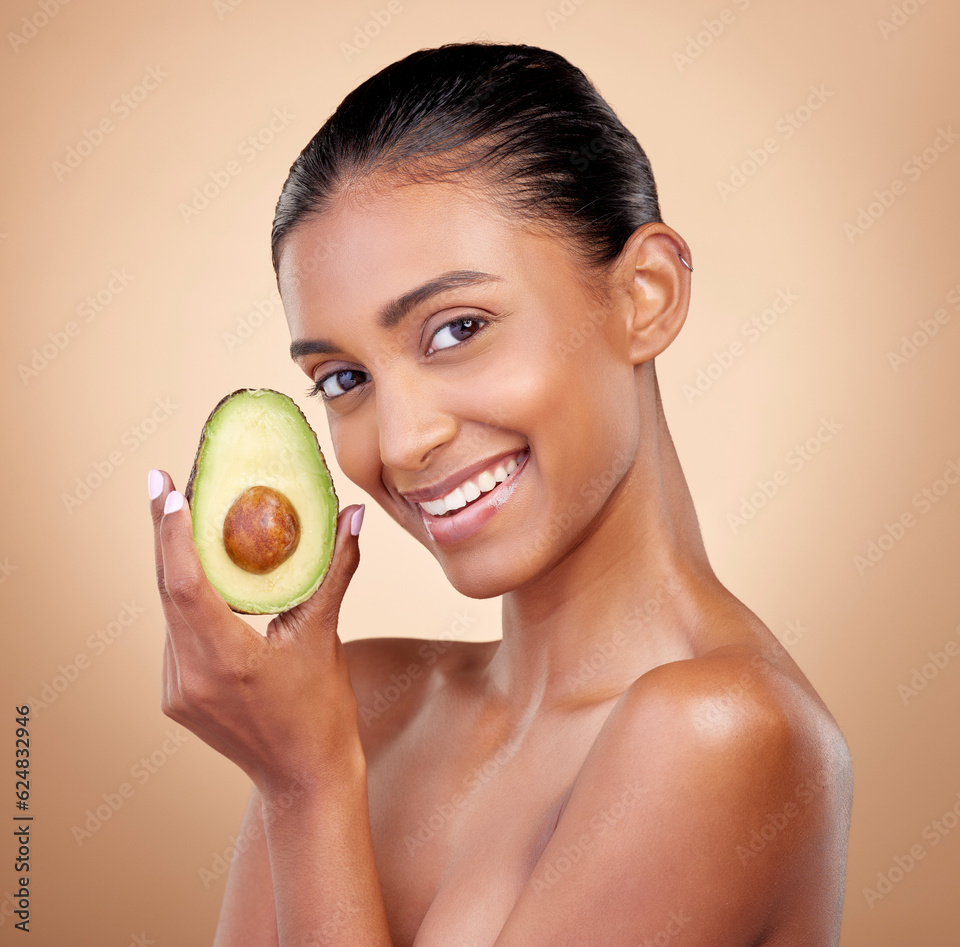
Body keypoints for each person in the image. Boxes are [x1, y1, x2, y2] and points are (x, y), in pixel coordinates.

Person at [148, 42, 852, 947]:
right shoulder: (363, 701)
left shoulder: (727, 732)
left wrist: (307, 789)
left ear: (646, 294)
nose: (402, 442)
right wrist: (311, 764)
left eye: (457, 329)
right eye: (342, 378)